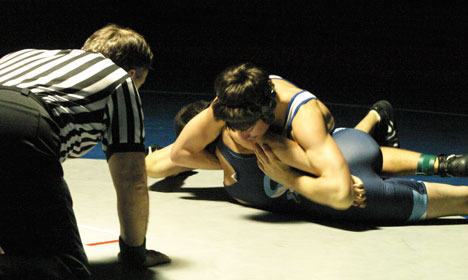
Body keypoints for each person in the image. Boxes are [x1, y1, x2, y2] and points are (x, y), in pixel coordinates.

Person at [169, 63, 467, 209]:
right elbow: (173, 157)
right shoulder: (226, 108)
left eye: (247, 126)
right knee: (338, 162)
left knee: (349, 165)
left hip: (335, 139)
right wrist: (225, 162)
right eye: (230, 127)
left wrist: (290, 179)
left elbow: (338, 192)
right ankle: (375, 118)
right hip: (336, 148)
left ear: (267, 112)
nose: (240, 134)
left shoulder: (302, 115)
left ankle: (437, 160)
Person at [0, 24, 170, 280]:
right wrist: (134, 253)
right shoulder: (120, 80)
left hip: (15, 125)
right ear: (133, 73)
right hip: (19, 126)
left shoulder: (22, 54)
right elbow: (133, 180)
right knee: (67, 269)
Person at [148, 99, 468, 222]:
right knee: (349, 149)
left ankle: (439, 165)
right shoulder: (222, 149)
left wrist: (337, 182)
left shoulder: (250, 142)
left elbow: (157, 163)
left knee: (360, 190)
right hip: (349, 146)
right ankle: (378, 119)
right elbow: (161, 162)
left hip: (343, 169)